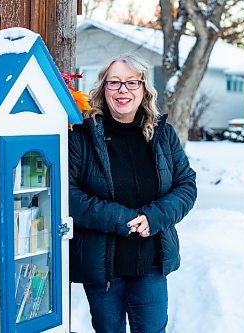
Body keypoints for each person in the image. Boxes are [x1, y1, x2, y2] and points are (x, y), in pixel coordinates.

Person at [68, 54, 197, 333]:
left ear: (144, 89)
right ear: (103, 88)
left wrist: (152, 217)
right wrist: (122, 219)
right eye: (114, 82)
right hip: (102, 265)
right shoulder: (82, 135)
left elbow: (186, 185)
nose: (122, 90)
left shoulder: (163, 134)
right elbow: (69, 194)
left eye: (131, 82)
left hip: (151, 260)